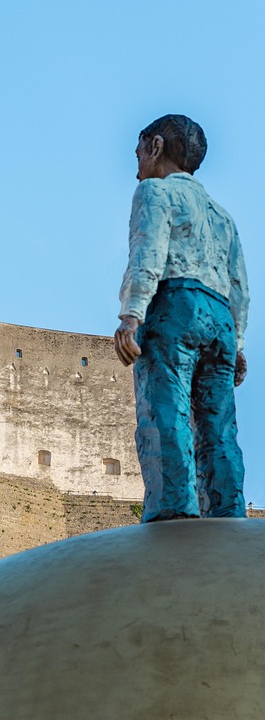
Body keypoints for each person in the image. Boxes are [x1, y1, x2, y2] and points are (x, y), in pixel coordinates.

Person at [114, 114, 249, 522]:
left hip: (175, 307)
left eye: (138, 153)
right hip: (220, 318)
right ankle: (227, 512)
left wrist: (131, 315)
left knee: (164, 412)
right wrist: (238, 343)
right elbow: (239, 283)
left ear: (155, 147)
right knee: (219, 425)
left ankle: (172, 511)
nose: (136, 167)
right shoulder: (223, 216)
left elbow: (147, 254)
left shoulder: (155, 193)